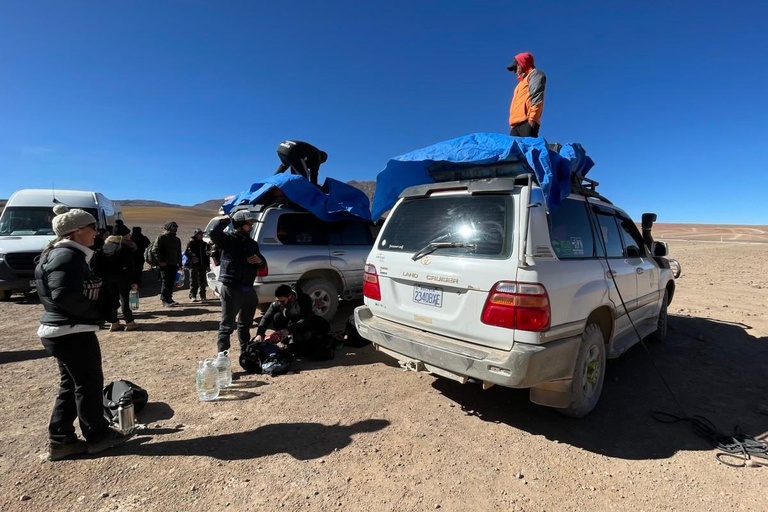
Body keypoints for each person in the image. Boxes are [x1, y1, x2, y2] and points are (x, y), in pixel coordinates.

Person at [35, 205, 131, 461]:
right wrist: (96, 314)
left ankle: (62, 440)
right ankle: (97, 436)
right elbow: (65, 296)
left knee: (72, 385)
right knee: (88, 384)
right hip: (71, 331)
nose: (97, 233)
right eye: (92, 228)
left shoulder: (61, 254)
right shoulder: (66, 257)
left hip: (64, 331)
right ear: (77, 232)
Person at [208, 210, 266, 353]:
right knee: (227, 325)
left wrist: (259, 261)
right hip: (232, 288)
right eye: (249, 224)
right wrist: (227, 219)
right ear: (240, 224)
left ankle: (246, 353)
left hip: (248, 288)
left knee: (245, 324)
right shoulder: (227, 240)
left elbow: (262, 263)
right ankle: (223, 358)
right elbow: (213, 232)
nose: (251, 227)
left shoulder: (252, 244)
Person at [255, 284, 330, 357]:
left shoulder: (304, 299)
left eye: (283, 301)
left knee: (302, 347)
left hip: (303, 323)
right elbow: (266, 317)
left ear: (290, 297)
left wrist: (288, 330)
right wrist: (260, 333)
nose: (280, 303)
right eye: (279, 301)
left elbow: (306, 319)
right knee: (276, 317)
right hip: (290, 322)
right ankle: (284, 340)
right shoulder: (278, 303)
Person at [91, 223, 139, 331]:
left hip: (107, 277)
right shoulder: (125, 246)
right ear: (124, 235)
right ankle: (130, 322)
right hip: (123, 277)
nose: (129, 236)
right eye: (128, 234)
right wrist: (134, 281)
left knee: (112, 299)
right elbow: (130, 266)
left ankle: (114, 322)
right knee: (125, 299)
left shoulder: (105, 246)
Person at [507, 52, 547, 137]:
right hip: (515, 125)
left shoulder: (535, 74)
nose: (514, 71)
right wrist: (513, 125)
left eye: (515, 67)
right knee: (514, 150)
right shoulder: (519, 85)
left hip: (527, 122)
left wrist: (532, 118)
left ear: (522, 64)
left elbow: (537, 96)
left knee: (528, 149)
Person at [153, 221, 182, 307]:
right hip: (165, 264)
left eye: (176, 227)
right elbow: (155, 250)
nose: (175, 228)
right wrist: (160, 261)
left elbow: (178, 252)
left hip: (174, 264)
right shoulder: (162, 237)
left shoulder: (177, 240)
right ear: (169, 228)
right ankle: (164, 300)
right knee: (166, 282)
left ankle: (169, 298)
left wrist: (180, 264)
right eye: (173, 227)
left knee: (171, 282)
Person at [184, 228, 210, 302]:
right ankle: (193, 295)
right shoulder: (191, 243)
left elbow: (207, 256)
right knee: (193, 280)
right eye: (199, 234)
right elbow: (187, 252)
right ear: (196, 235)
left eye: (202, 234)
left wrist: (207, 265)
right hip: (194, 265)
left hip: (202, 265)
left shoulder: (205, 244)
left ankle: (203, 295)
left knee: (203, 281)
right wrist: (192, 258)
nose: (201, 235)